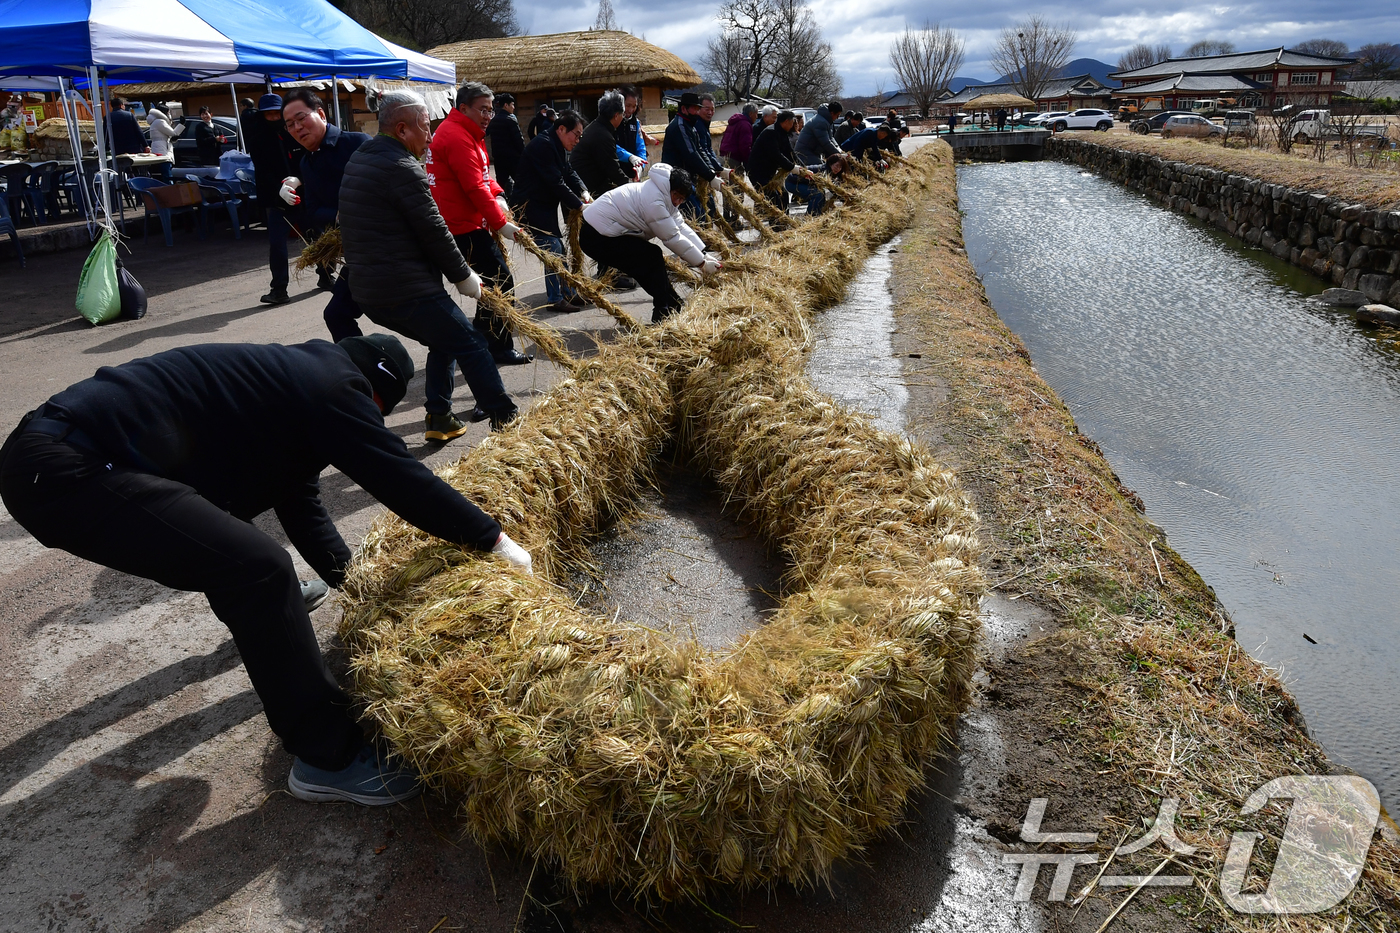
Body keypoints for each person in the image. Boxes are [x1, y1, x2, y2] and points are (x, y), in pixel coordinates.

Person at [0, 334, 534, 808]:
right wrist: (493, 538)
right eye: (372, 414)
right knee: (258, 570)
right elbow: (396, 475)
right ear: (372, 393)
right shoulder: (333, 386)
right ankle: (329, 758)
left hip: (57, 454)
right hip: (66, 470)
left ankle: (274, 620)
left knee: (241, 560)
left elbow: (300, 503)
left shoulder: (288, 385)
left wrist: (370, 595)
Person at [340, 89, 519, 440]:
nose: (431, 136)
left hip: (368, 290)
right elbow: (434, 230)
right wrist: (463, 275)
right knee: (471, 342)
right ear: (403, 129)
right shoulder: (403, 168)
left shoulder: (361, 156)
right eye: (425, 127)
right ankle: (507, 420)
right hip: (404, 289)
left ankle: (439, 417)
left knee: (444, 340)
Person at [429, 81, 532, 365]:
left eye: (490, 109)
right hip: (462, 226)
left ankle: (483, 340)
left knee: (492, 284)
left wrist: (498, 195)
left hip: (468, 221)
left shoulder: (467, 133)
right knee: (500, 284)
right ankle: (495, 346)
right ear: (464, 108)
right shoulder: (457, 137)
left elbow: (485, 174)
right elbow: (474, 187)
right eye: (482, 109)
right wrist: (500, 223)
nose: (488, 115)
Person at [280, 89, 371, 337]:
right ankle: (361, 371)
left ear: (321, 113)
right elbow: (314, 210)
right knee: (336, 315)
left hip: (391, 250)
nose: (297, 128)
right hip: (358, 256)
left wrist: (352, 208)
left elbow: (387, 186)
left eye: (301, 119)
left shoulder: (357, 143)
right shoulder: (306, 162)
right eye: (290, 124)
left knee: (423, 321)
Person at [579, 164, 718, 324]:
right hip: (596, 236)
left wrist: (704, 253)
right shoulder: (655, 201)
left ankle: (670, 304)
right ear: (670, 189)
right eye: (677, 196)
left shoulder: (664, 194)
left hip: (606, 231)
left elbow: (679, 226)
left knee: (648, 260)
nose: (678, 202)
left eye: (682, 199)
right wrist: (701, 263)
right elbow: (672, 238)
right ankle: (663, 308)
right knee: (650, 257)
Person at [510, 109, 590, 313]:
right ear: (562, 129)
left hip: (544, 205)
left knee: (558, 248)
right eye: (577, 135)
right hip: (529, 206)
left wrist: (583, 191)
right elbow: (556, 182)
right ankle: (556, 298)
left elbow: (568, 171)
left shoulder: (558, 144)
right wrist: (580, 206)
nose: (578, 140)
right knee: (553, 247)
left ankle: (567, 291)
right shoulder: (543, 145)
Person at [245, 93, 304, 306]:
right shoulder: (258, 139)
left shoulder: (295, 132)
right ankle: (279, 289)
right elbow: (262, 171)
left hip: (303, 193)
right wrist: (279, 188)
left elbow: (306, 160)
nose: (273, 118)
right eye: (268, 115)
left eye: (276, 114)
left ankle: (326, 275)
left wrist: (299, 180)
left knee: (317, 237)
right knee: (277, 244)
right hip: (277, 198)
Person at [661, 92, 728, 219]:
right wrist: (710, 176)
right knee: (695, 214)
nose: (697, 112)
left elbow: (700, 150)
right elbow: (691, 154)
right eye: (694, 109)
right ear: (684, 109)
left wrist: (716, 170)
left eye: (698, 109)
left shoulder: (691, 126)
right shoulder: (679, 126)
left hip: (689, 177)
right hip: (678, 179)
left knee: (705, 211)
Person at [747, 109, 797, 210]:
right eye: (791, 123)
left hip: (769, 173)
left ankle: (783, 222)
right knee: (773, 198)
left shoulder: (782, 132)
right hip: (758, 172)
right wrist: (792, 167)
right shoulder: (771, 132)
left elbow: (790, 152)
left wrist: (801, 167)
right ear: (786, 121)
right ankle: (775, 224)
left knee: (783, 195)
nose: (792, 126)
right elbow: (776, 155)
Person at [484, 92, 525, 199]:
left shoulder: (493, 120)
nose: (514, 107)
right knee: (521, 183)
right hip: (513, 158)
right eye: (512, 104)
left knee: (501, 183)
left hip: (498, 157)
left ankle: (503, 206)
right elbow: (519, 140)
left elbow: (486, 133)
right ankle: (519, 205)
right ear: (505, 105)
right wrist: (524, 155)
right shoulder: (510, 120)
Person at [785, 151, 845, 217]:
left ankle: (818, 214)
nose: (838, 169)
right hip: (792, 182)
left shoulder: (830, 172)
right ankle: (811, 216)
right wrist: (843, 196)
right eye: (836, 166)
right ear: (831, 164)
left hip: (801, 182)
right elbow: (832, 188)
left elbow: (833, 187)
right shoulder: (824, 171)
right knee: (817, 194)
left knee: (821, 194)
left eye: (840, 167)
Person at [616, 85, 659, 167]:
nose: (631, 110)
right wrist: (630, 157)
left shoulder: (635, 122)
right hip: (615, 168)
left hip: (632, 168)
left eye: (634, 106)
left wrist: (640, 165)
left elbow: (640, 146)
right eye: (628, 106)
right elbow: (610, 145)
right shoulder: (614, 121)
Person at [795, 99, 841, 165]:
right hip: (804, 153)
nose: (837, 118)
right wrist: (840, 155)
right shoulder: (820, 122)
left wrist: (839, 150)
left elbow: (831, 138)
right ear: (832, 113)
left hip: (812, 151)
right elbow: (826, 143)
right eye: (837, 115)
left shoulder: (826, 121)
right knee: (821, 169)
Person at [719, 103, 757, 177]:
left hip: (723, 157)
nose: (756, 117)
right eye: (756, 114)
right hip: (733, 160)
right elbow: (745, 147)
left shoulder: (734, 122)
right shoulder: (745, 125)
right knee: (736, 186)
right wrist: (750, 161)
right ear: (751, 113)